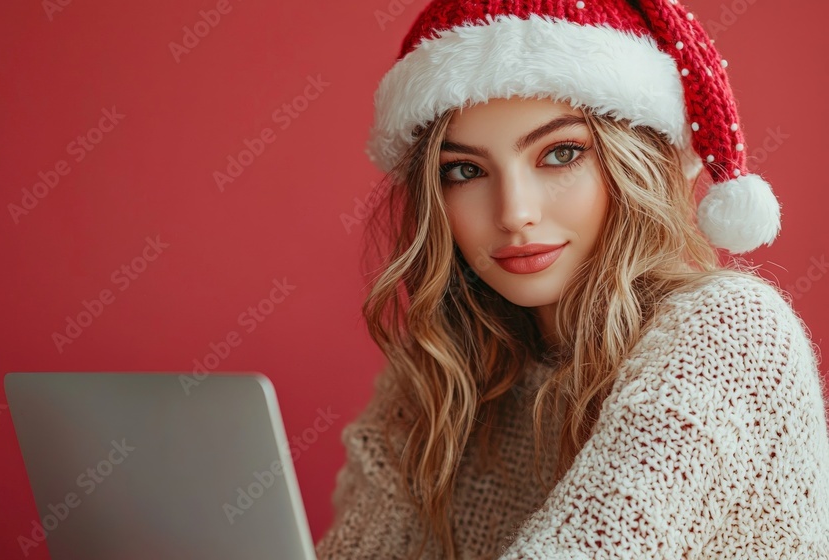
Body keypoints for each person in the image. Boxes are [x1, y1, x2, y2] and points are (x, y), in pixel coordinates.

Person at [315, 0, 829, 558]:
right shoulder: (442, 370)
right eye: (465, 170)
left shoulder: (729, 333)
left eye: (560, 153)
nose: (514, 212)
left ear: (635, 163)